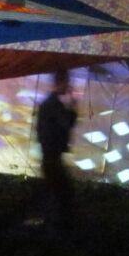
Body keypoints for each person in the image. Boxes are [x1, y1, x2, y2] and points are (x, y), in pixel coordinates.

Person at [36, 69, 78, 229]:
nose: (68, 86)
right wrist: (72, 107)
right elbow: (66, 124)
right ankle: (55, 226)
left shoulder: (50, 104)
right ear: (61, 83)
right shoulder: (53, 105)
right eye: (67, 82)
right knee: (62, 192)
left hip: (50, 155)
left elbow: (65, 124)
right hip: (52, 156)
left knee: (55, 191)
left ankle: (50, 223)